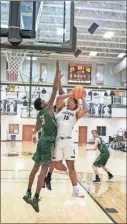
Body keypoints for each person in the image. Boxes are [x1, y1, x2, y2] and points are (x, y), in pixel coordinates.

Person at [23, 60, 60, 213]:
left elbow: (37, 128)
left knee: (35, 167)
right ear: (43, 104)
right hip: (48, 142)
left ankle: (28, 192)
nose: (46, 101)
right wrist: (57, 73)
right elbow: (54, 91)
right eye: (44, 101)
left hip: (41, 140)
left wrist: (33, 134)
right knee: (44, 170)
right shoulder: (49, 107)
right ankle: (36, 198)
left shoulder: (39, 115)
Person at [47, 84, 88, 197]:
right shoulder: (60, 109)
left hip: (69, 141)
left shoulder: (76, 114)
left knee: (72, 167)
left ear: (75, 104)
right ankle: (67, 172)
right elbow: (60, 98)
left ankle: (75, 191)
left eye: (71, 101)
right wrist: (72, 94)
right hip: (57, 141)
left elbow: (86, 109)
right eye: (68, 100)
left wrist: (82, 97)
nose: (69, 101)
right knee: (56, 165)